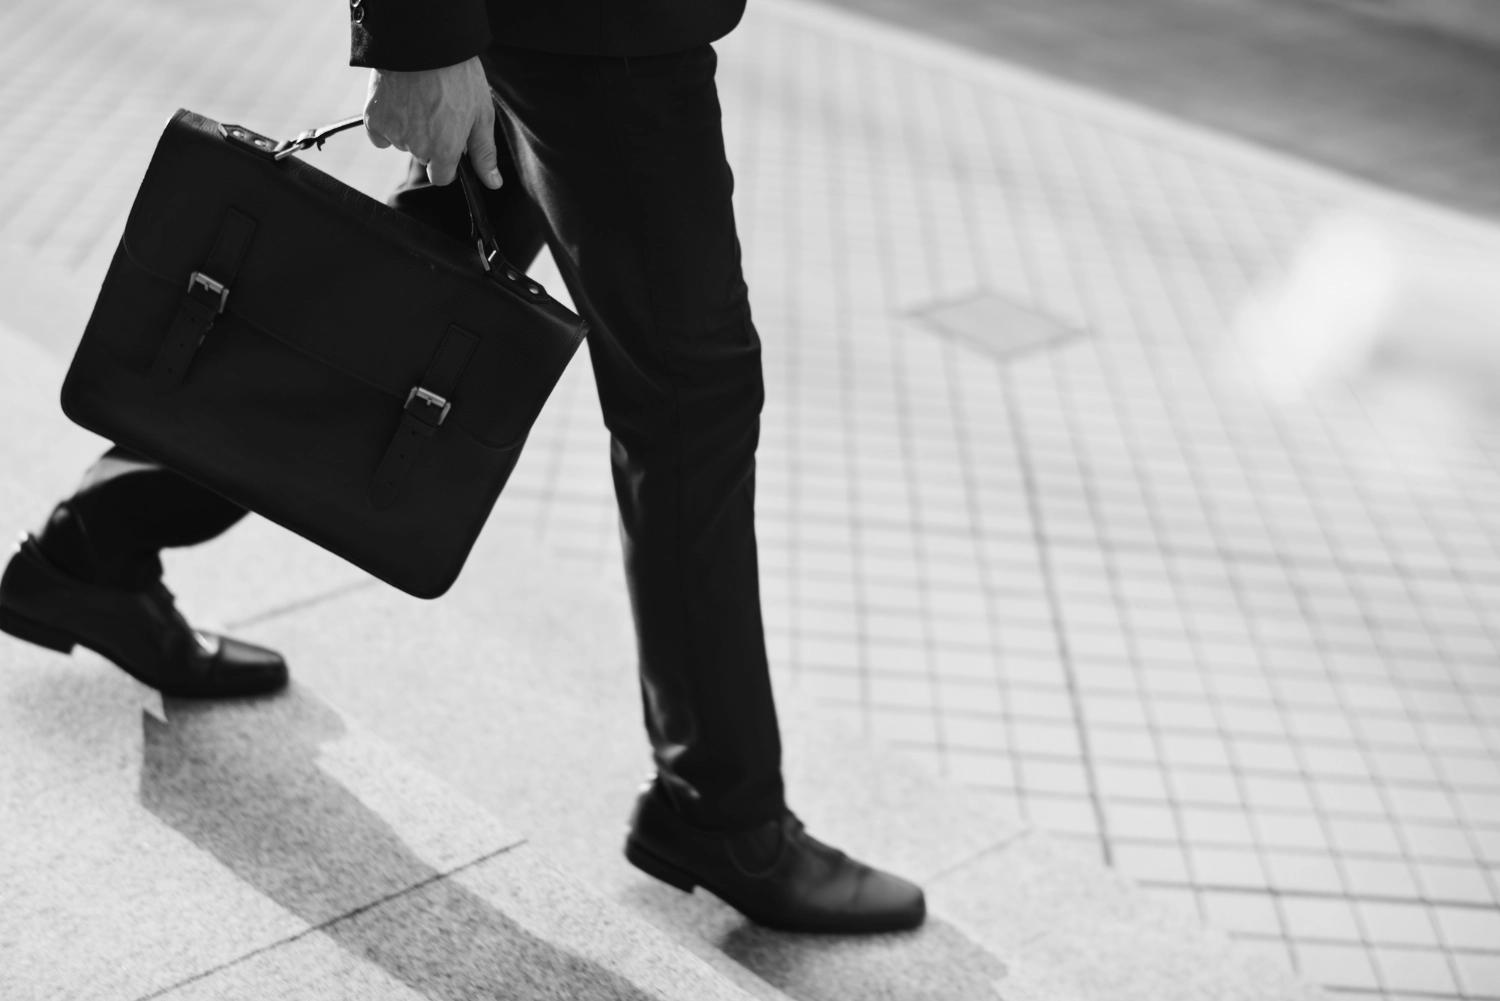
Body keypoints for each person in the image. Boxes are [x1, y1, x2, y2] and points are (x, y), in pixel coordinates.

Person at [0, 0, 926, 934]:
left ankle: (94, 549)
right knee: (693, 402)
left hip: (554, 26)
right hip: (605, 36)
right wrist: (417, 36)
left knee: (417, 310)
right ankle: (725, 813)